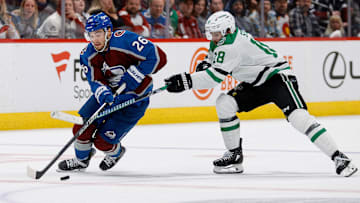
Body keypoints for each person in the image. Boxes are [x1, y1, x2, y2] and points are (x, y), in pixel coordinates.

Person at [164, 11, 358, 177]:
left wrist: (186, 81)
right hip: (256, 82)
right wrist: (203, 65)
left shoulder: (232, 45)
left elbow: (214, 78)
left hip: (277, 78)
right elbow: (211, 60)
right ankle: (234, 155)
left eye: (216, 34)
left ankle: (339, 157)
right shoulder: (222, 40)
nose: (213, 38)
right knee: (225, 103)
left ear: (228, 31)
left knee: (298, 118)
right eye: (212, 34)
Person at [57, 12, 167, 172]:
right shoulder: (87, 55)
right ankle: (81, 160)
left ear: (108, 31)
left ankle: (116, 153)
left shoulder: (125, 40)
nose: (95, 40)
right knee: (80, 128)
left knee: (103, 142)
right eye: (91, 35)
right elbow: (94, 80)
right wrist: (102, 92)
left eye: (98, 34)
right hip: (110, 95)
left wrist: (136, 74)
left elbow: (158, 57)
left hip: (135, 98)